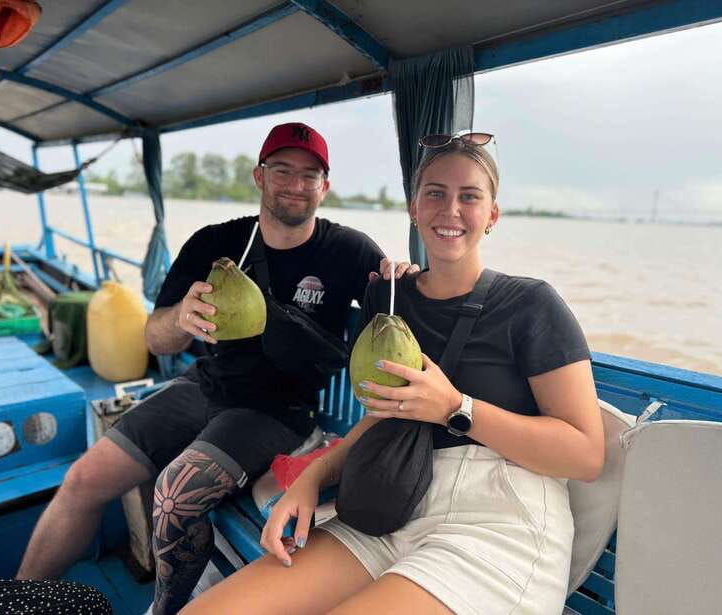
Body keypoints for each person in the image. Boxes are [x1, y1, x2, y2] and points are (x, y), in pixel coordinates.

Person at [181, 133, 605, 615]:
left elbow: (586, 455)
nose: (450, 209)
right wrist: (312, 476)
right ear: (413, 209)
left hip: (496, 515)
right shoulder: (388, 299)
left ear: (492, 215)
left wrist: (456, 408)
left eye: (469, 196)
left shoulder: (531, 304)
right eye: (435, 193)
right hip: (392, 500)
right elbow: (382, 417)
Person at [15, 122, 416, 615]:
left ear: (324, 187)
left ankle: (164, 607)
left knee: (173, 498)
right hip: (203, 386)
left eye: (309, 175)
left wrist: (407, 279)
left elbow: (396, 318)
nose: (295, 184)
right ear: (259, 176)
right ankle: (16, 601)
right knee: (82, 479)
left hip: (278, 411)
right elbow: (154, 336)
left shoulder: (349, 250)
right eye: (282, 170)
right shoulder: (215, 243)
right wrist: (180, 319)